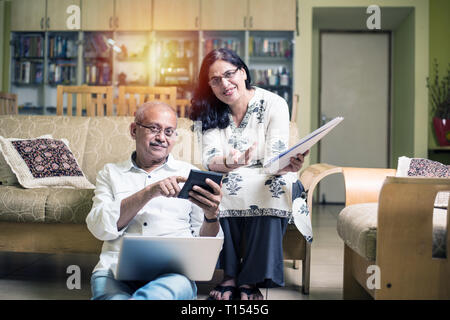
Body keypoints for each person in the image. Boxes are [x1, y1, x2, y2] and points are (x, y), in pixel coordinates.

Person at [189, 48, 310, 300]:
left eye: (229, 74)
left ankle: (251, 279)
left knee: (273, 185)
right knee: (225, 184)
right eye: (215, 80)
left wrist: (287, 165)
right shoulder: (209, 110)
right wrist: (230, 162)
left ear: (243, 72)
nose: (224, 84)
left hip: (268, 171)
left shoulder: (275, 103)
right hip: (228, 170)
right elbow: (211, 159)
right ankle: (229, 275)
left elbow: (275, 155)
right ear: (209, 85)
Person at [86, 101, 222, 300]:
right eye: (154, 129)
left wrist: (211, 217)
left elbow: (207, 246)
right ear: (134, 130)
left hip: (174, 276)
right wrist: (149, 192)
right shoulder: (110, 173)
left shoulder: (189, 175)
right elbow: (98, 227)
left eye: (169, 132)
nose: (161, 138)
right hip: (114, 270)